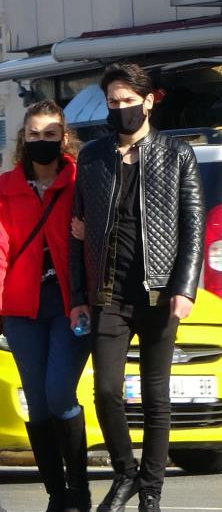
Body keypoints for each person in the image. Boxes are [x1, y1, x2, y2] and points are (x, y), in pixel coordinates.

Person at [69, 63, 205, 512]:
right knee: (105, 389)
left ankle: (151, 490)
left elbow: (193, 229)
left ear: (148, 101)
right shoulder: (92, 157)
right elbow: (78, 233)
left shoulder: (177, 155)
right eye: (114, 102)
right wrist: (76, 297)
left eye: (129, 101)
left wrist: (185, 288)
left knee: (155, 394)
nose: (122, 109)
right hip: (107, 292)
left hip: (160, 292)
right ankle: (125, 472)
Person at [0, 100, 89, 512]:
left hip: (70, 305)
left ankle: (79, 486)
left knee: (58, 393)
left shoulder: (81, 182)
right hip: (21, 308)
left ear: (63, 138)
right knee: (36, 404)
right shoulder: (6, 187)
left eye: (49, 134)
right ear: (23, 138)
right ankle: (58, 494)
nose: (41, 141)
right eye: (34, 134)